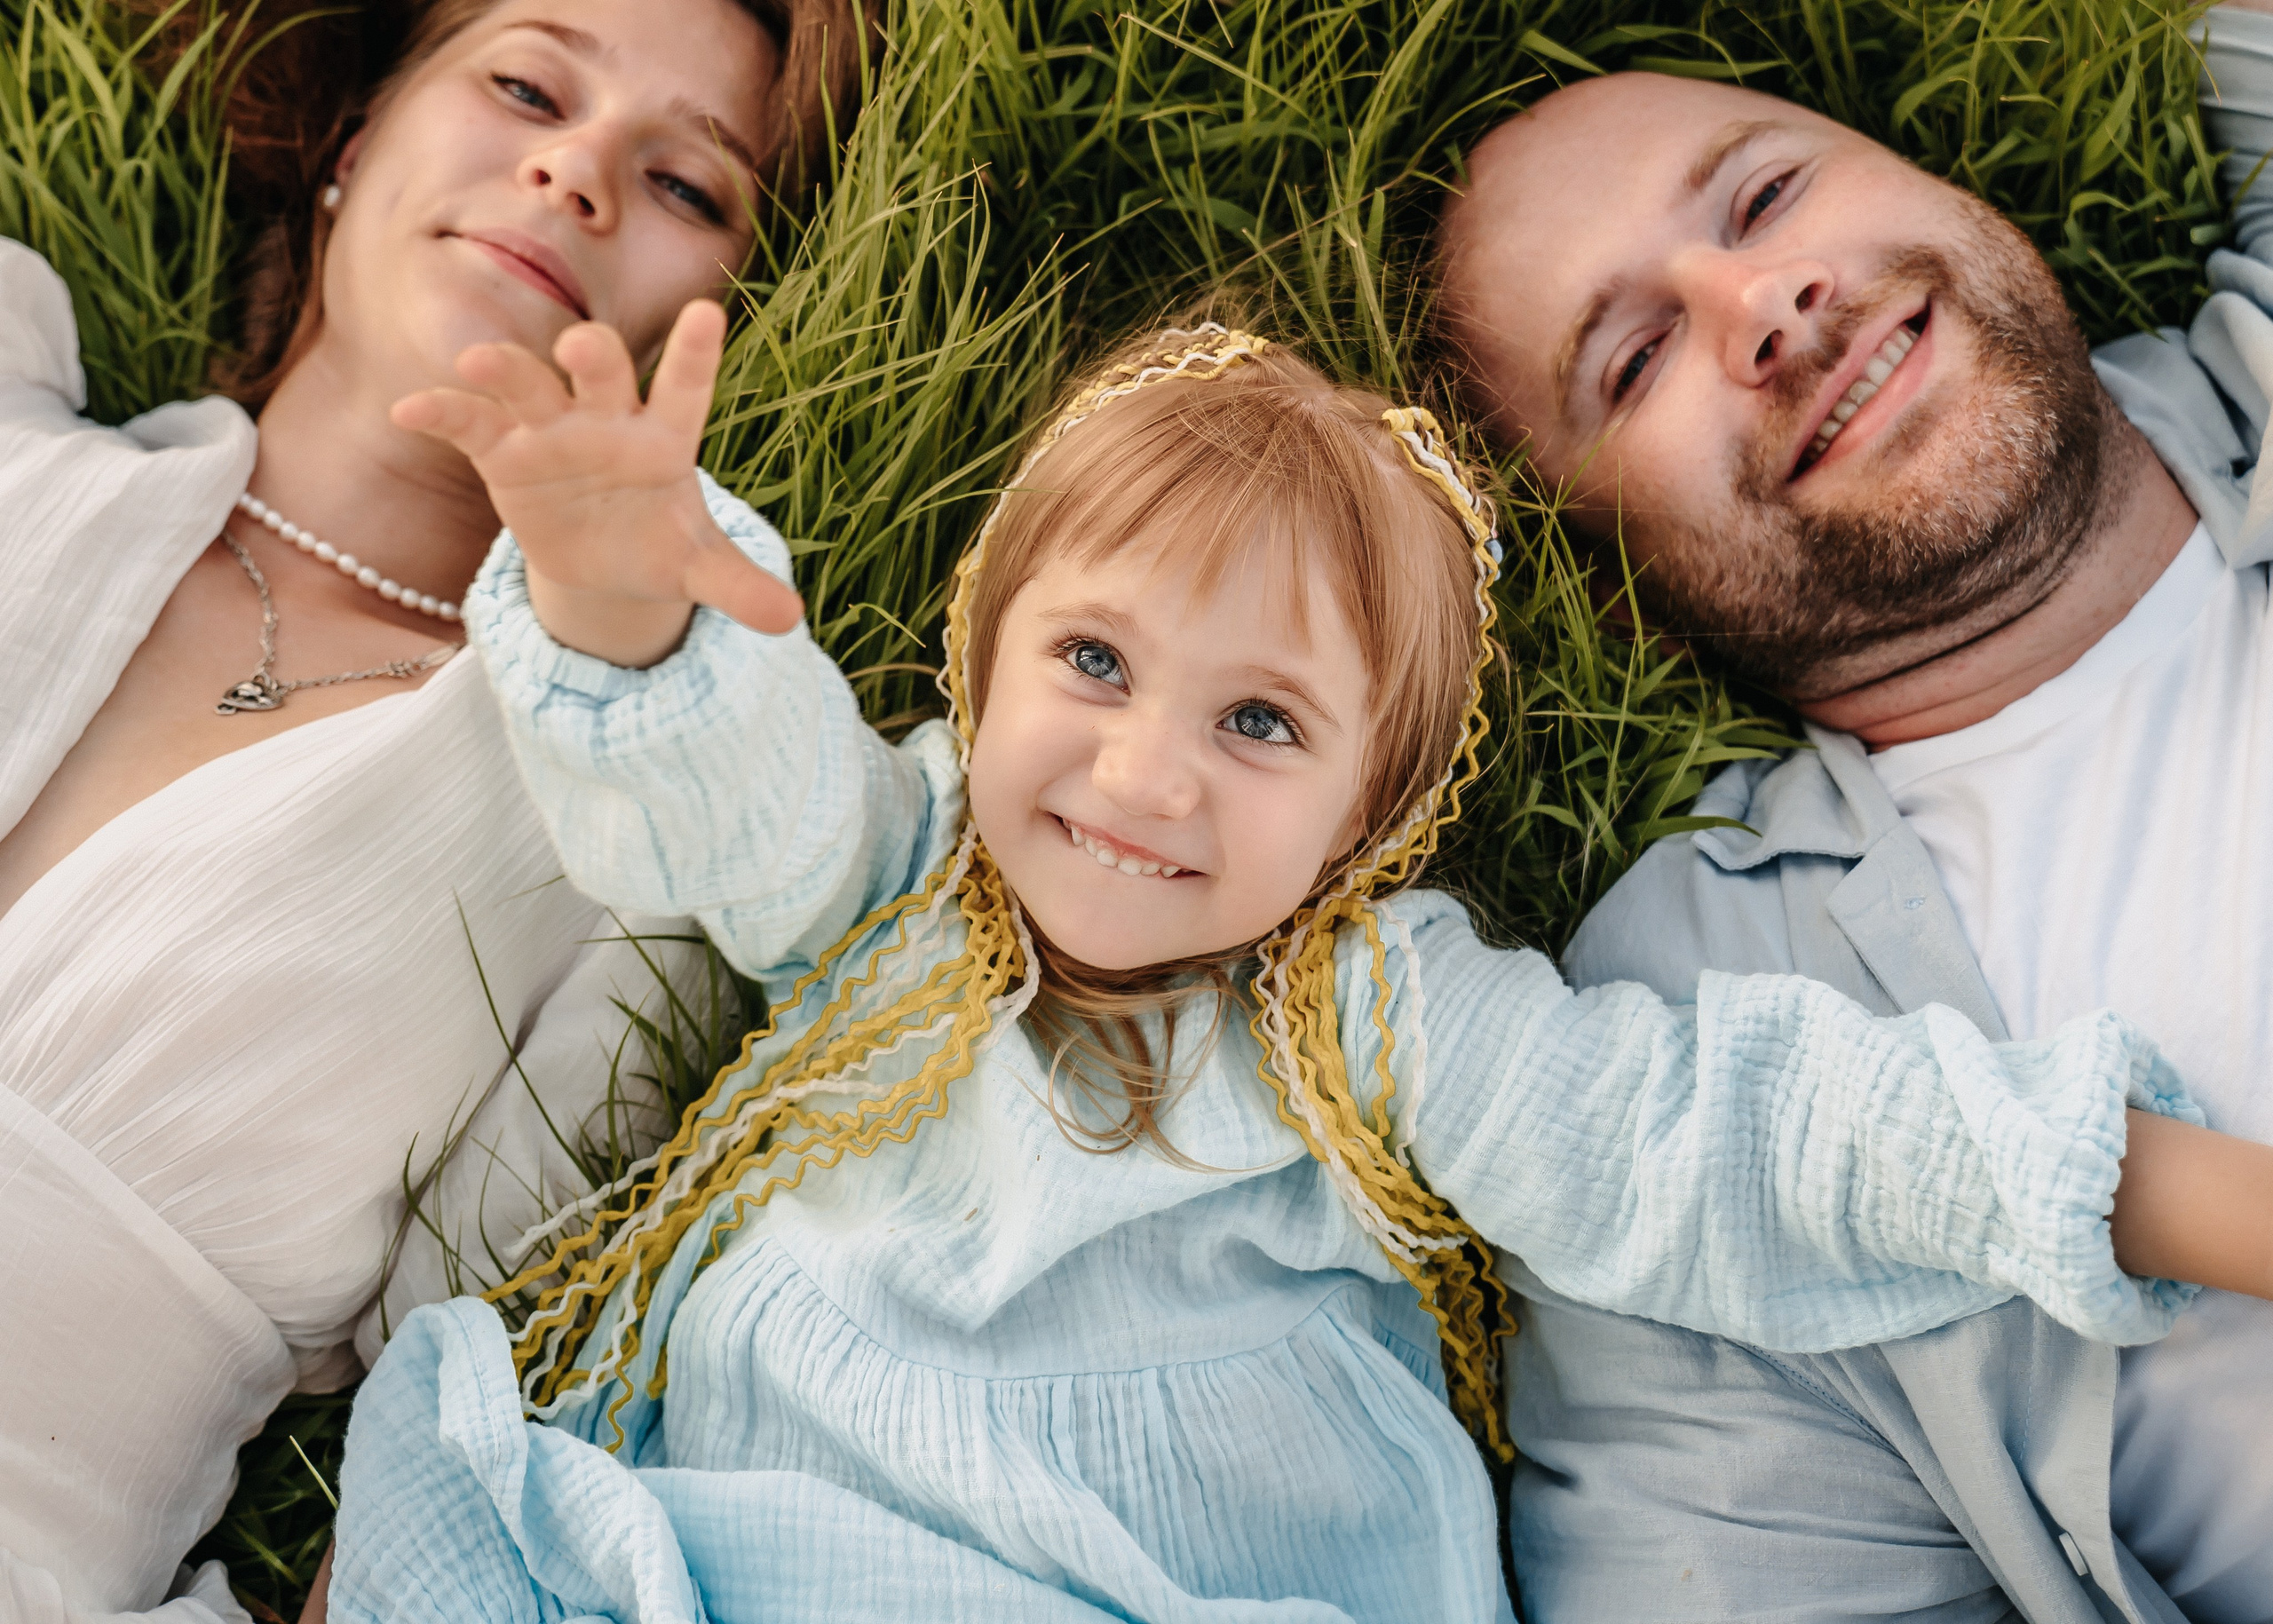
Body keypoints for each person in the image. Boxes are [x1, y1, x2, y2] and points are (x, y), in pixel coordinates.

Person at [318, 303, 2273, 1623]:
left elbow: (1707, 1134)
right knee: (450, 1501)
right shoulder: (885, 875)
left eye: (1262, 725)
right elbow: (723, 788)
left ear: (1365, 812)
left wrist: (2166, 1191)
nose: (1145, 774)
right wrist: (614, 584)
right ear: (978, 663)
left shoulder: (1367, 1019)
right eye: (1090, 663)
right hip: (764, 1551)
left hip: (1193, 1582)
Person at [0, 0, 858, 1618]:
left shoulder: (615, 879)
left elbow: (453, 1426)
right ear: (352, 144)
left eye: (692, 188)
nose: (580, 168)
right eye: (528, 81)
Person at [1435, 2, 2273, 1618]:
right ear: (1616, 595)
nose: (1762, 303)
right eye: (1634, 358)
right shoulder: (1701, 1065)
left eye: (1763, 196)